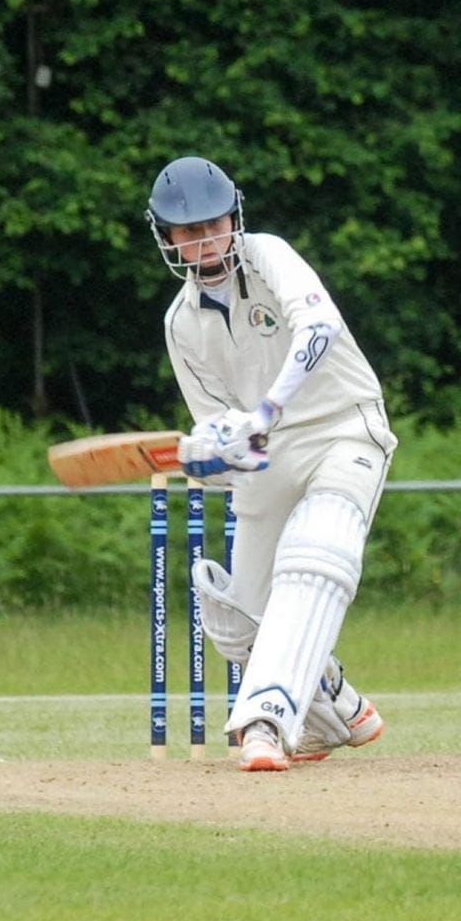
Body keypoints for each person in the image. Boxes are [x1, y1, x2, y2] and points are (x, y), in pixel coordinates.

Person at [145, 155, 391, 772]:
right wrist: (215, 456)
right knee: (234, 625)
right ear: (167, 237)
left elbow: (321, 326)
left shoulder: (269, 254)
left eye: (214, 223)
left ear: (234, 217)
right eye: (188, 230)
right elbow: (228, 437)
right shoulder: (180, 325)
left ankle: (264, 720)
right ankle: (340, 707)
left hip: (343, 427)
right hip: (272, 455)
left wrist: (265, 410)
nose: (204, 238)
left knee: (317, 552)